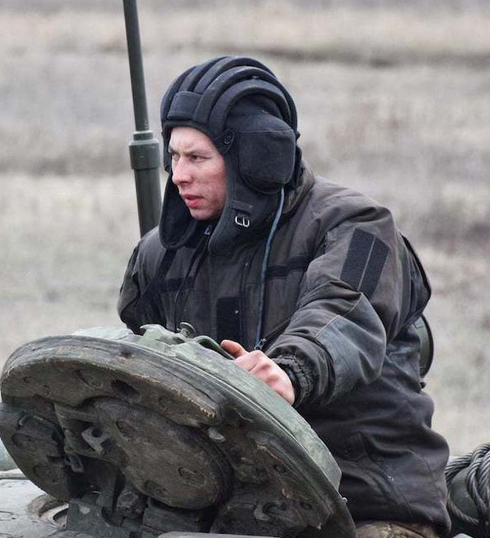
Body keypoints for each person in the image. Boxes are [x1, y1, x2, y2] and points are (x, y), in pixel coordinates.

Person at [118, 56, 450, 538]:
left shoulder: (358, 227)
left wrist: (291, 372)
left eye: (197, 158)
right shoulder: (162, 255)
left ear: (255, 160)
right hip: (223, 509)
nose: (180, 175)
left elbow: (344, 313)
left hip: (365, 503)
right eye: (174, 157)